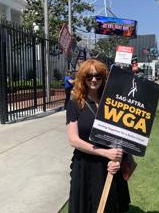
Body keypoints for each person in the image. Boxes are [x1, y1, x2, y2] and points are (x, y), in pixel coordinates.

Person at [66, 59, 130, 213]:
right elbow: (73, 139)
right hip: (86, 163)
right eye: (89, 76)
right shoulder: (75, 103)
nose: (94, 79)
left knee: (110, 205)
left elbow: (122, 134)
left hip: (110, 164)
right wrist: (104, 152)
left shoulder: (111, 103)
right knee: (87, 206)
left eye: (98, 76)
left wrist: (117, 158)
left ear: (103, 78)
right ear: (83, 78)